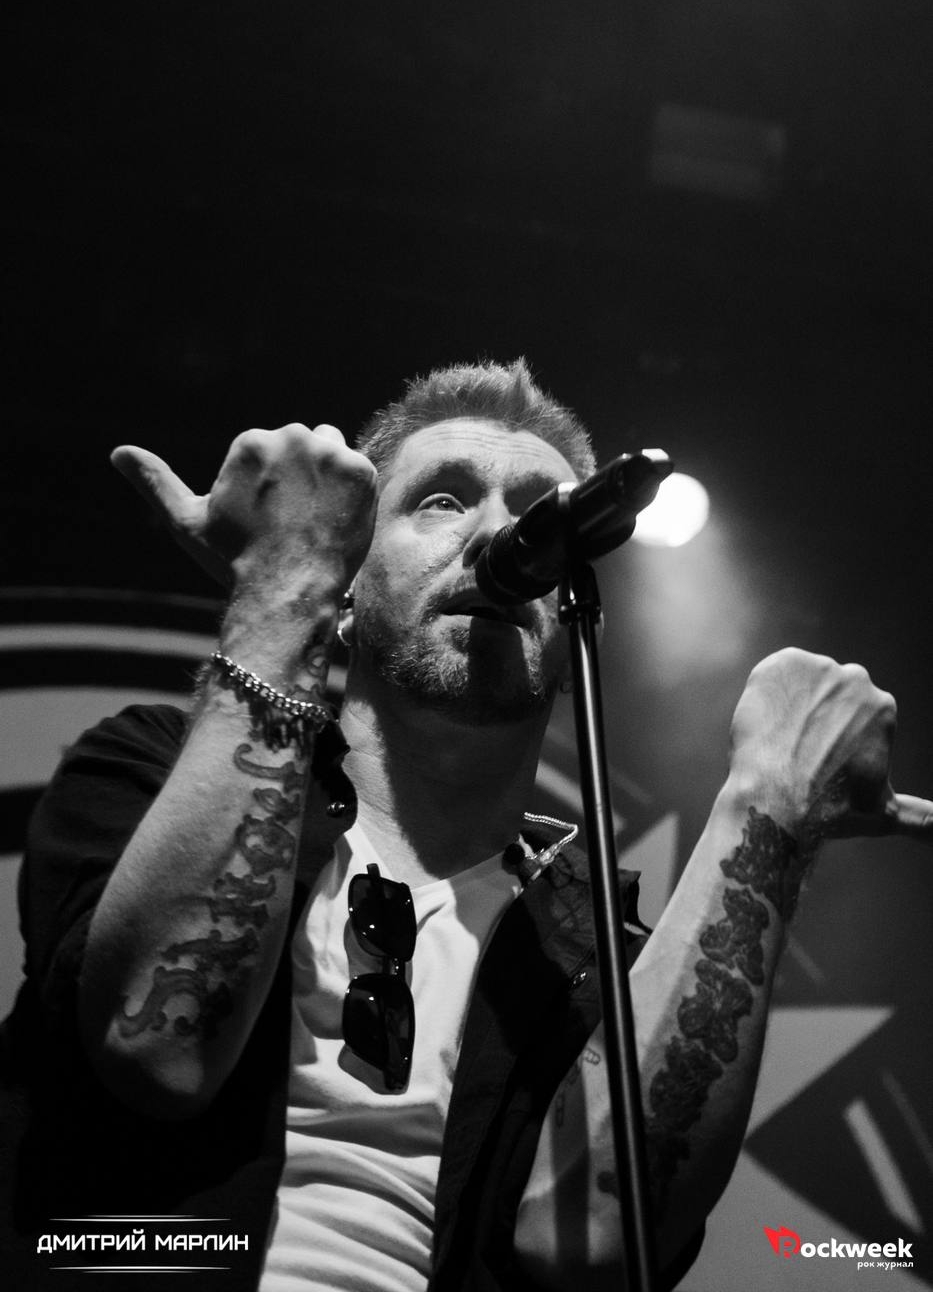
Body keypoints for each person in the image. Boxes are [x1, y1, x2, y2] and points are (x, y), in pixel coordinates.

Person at [5, 360, 931, 1292]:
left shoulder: (600, 962)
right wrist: (286, 593)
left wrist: (766, 813)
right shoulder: (151, 768)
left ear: (577, 624)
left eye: (537, 512)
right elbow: (159, 1051)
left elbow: (590, 1243)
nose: (499, 533)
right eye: (442, 500)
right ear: (348, 579)